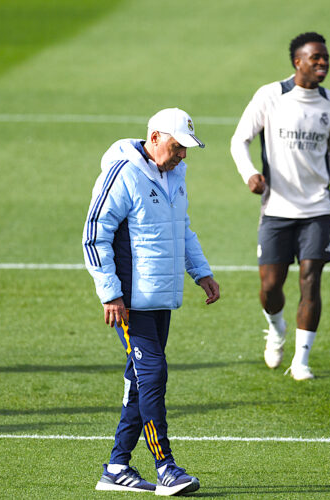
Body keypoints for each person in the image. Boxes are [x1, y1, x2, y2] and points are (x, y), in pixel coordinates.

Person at [84, 108, 220, 495]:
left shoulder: (175, 173)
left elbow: (182, 229)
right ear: (156, 137)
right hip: (129, 302)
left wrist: (202, 272)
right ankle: (166, 468)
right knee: (153, 375)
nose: (183, 156)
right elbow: (95, 233)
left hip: (161, 297)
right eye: (178, 147)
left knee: (139, 380)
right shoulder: (123, 173)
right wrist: (110, 292)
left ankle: (116, 466)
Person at [230, 32, 330, 380]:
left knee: (311, 281)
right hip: (276, 208)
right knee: (270, 286)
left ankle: (302, 360)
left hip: (317, 209)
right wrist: (250, 174)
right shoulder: (270, 96)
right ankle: (276, 328)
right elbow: (239, 140)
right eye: (316, 58)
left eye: (325, 57)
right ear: (298, 62)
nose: (323, 62)